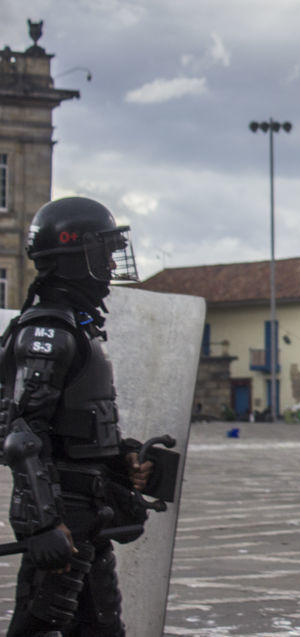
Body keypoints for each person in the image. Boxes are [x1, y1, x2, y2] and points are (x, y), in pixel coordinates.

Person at [0, 197, 156, 635]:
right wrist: (45, 523)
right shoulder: (47, 331)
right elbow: (22, 436)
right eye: (102, 251)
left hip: (91, 512)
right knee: (38, 624)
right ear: (76, 255)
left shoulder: (79, 324)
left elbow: (76, 427)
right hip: (64, 511)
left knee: (101, 627)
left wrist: (121, 456)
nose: (110, 262)